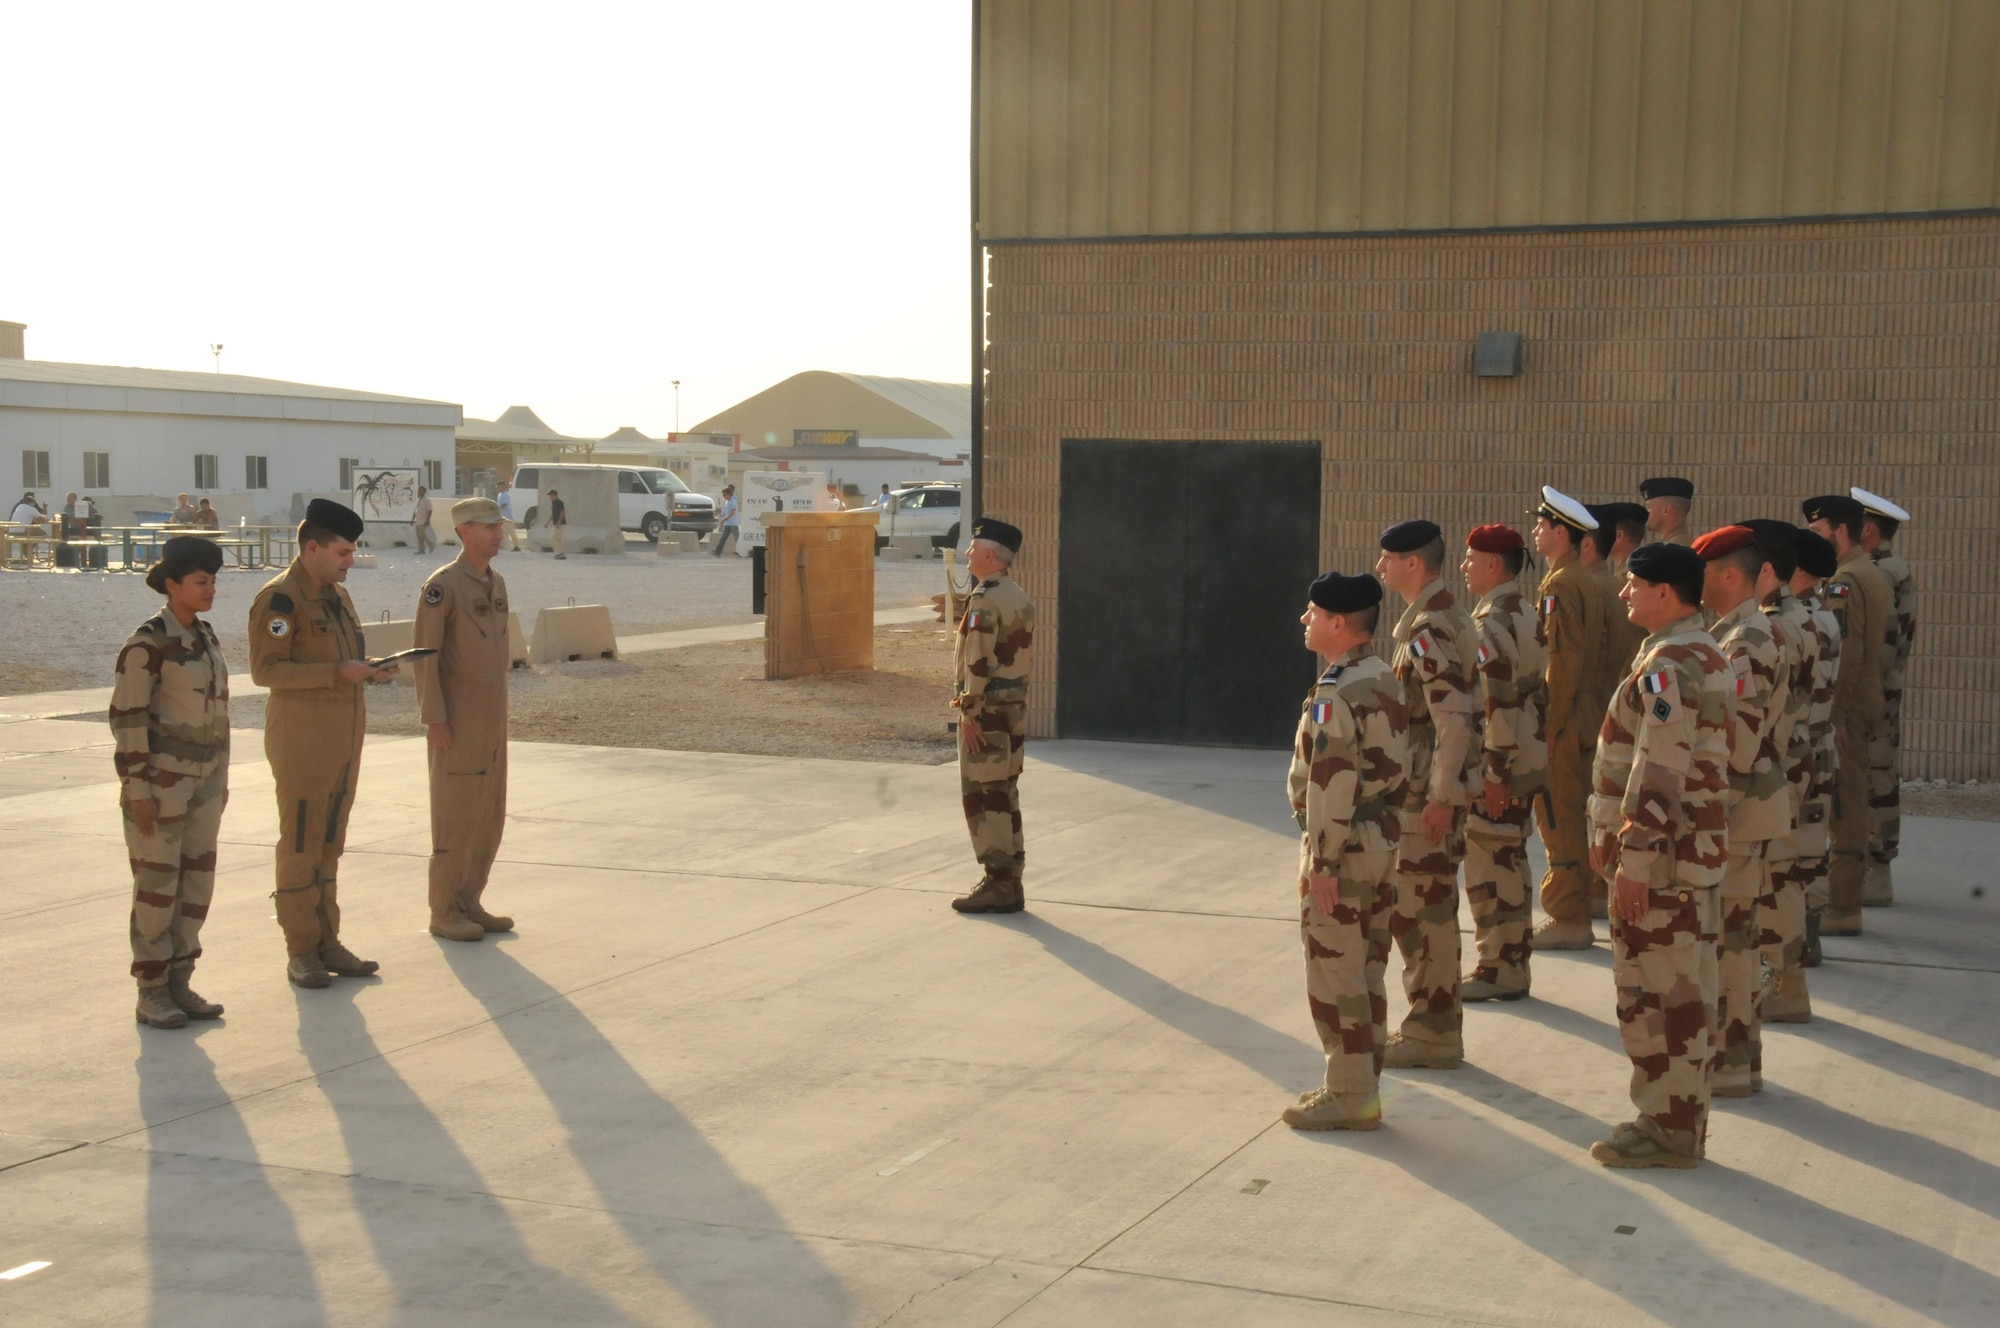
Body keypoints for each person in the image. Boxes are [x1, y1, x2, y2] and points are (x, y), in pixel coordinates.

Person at [1587, 542, 1730, 1169]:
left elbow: (1659, 768)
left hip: (1664, 862)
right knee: (1682, 993)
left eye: (1634, 585)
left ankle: (1667, 1129)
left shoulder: (1672, 663)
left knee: (1658, 996)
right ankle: (1676, 1123)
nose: (1624, 594)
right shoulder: (1698, 651)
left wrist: (1636, 862)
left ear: (1665, 593)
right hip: (1685, 855)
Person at [247, 498, 398, 988]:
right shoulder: (280, 601)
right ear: (312, 547)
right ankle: (301, 951)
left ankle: (328, 940)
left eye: (352, 552)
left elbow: (343, 657)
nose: (350, 561)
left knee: (330, 844)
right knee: (301, 844)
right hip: (302, 742)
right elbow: (266, 670)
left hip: (342, 739)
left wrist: (370, 670)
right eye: (342, 552)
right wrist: (337, 672)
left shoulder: (336, 596)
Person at [1283, 570, 1408, 1131]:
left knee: (1335, 973)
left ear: (1339, 623)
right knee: (1367, 967)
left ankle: (1351, 1093)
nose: (1305, 620)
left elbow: (1331, 781)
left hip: (1346, 844)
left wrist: (1323, 864)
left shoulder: (1337, 692)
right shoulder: (1381, 676)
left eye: (1312, 613)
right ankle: (1362, 1083)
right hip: (1381, 838)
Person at [113, 536, 232, 1029]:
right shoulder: (147, 644)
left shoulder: (205, 637)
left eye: (213, 582)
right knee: (158, 887)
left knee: (196, 883)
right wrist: (137, 789)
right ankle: (152, 988)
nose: (210, 591)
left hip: (204, 782)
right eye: (200, 582)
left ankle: (180, 980)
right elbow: (128, 719)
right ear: (172, 585)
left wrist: (220, 779)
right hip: (161, 787)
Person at [1375, 520, 1480, 1068]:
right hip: (1423, 790)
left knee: (1423, 913)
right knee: (1426, 908)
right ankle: (1433, 1023)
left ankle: (1433, 1029)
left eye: (1388, 558)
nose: (1381, 568)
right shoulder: (1440, 617)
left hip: (1423, 798)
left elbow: (1453, 720)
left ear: (1413, 563)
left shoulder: (1430, 628)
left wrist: (1441, 796)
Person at [1694, 525, 1794, 1099]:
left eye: (1704, 575)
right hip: (1742, 810)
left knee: (1731, 942)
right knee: (1737, 937)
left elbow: (1739, 747)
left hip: (1737, 811)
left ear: (1729, 576)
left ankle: (1730, 1061)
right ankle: (1741, 1058)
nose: (1698, 586)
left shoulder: (1746, 642)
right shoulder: (1739, 633)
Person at [414, 498, 517, 942]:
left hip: (491, 716)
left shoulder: (495, 583)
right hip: (456, 718)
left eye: (499, 526)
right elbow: (424, 657)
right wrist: (435, 718)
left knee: (489, 812)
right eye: (487, 527)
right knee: (455, 814)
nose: (497, 534)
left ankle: (470, 898)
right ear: (463, 531)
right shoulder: (443, 586)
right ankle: (443, 909)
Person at [1460, 524, 1547, 1002]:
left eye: (1472, 559)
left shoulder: (1491, 622)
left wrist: (1494, 771)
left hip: (1503, 759)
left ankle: (1499, 965)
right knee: (1510, 859)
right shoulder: (1526, 611)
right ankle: (1512, 961)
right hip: (1526, 750)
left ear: (1494, 564)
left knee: (1491, 863)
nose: (1465, 567)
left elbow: (1497, 700)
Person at [1803, 494, 1894, 938]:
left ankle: (1842, 904)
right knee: (1850, 797)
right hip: (1864, 701)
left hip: (1849, 706)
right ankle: (1844, 900)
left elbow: (1847, 653)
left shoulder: (1844, 582)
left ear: (1840, 532)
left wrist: (1832, 716)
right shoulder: (1870, 573)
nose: (1814, 543)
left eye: (1819, 533)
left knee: (1844, 803)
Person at [1741, 519, 1818, 1021]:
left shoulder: (1779, 625)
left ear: (1765, 569)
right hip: (1790, 761)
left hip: (1777, 767)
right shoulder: (1794, 615)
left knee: (1775, 884)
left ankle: (1785, 987)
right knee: (1777, 879)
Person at [1528, 487, 1606, 951]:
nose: (1535, 532)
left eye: (1541, 525)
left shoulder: (1559, 584)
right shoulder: (1587, 580)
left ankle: (1568, 914)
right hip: (1588, 714)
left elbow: (1563, 661)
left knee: (1560, 816)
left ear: (1562, 533)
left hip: (1568, 720)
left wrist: (1549, 728)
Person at [949, 518, 1036, 914]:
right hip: (1011, 710)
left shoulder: (985, 599)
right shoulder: (1016, 595)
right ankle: (1009, 881)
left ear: (989, 555)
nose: (966, 555)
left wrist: (969, 714)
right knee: (1005, 791)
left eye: (971, 549)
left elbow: (979, 663)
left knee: (985, 798)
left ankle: (999, 882)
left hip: (988, 713)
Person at [1853, 486, 1914, 907]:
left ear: (1868, 528)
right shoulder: (1889, 567)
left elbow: (1884, 644)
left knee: (1876, 776)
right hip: (1880, 687)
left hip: (1873, 690)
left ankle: (1876, 871)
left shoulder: (1880, 572)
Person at [1790, 528, 1843, 966]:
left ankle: (1803, 941)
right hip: (1818, 743)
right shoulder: (1819, 613)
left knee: (1803, 847)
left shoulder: (1806, 620)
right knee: (1809, 843)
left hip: (1806, 745)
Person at [1639, 477, 1695, 546]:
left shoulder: (1670, 551)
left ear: (1666, 510)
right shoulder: (1692, 546)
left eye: (1648, 507)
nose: (1645, 512)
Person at [711, 486, 740, 558]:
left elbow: (733, 511)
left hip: (733, 524)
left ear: (729, 494)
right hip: (727, 524)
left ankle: (740, 552)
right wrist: (722, 518)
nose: (724, 496)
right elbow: (725, 511)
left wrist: (726, 519)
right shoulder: (726, 502)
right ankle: (717, 553)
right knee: (723, 538)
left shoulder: (733, 501)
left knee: (737, 538)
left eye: (725, 495)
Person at [495, 480, 524, 551]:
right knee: (503, 532)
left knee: (511, 532)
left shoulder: (506, 495)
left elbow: (504, 504)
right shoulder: (500, 495)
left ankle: (517, 546)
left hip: (508, 517)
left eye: (499, 487)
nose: (498, 488)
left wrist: (498, 510)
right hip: (502, 517)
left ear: (502, 486)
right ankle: (503, 545)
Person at [411, 486, 436, 554]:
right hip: (418, 520)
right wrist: (413, 519)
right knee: (419, 536)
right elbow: (416, 510)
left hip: (423, 520)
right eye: (419, 490)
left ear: (424, 491)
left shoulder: (427, 500)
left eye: (421, 490)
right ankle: (421, 550)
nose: (419, 492)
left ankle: (430, 543)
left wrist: (428, 519)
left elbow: (430, 510)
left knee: (422, 533)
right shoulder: (418, 500)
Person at [545, 487, 567, 559]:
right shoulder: (553, 503)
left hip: (560, 524)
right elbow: (553, 514)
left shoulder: (559, 503)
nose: (550, 497)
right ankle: (561, 553)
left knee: (554, 537)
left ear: (555, 495)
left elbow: (562, 512)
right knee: (558, 539)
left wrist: (559, 522)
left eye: (551, 495)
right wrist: (547, 522)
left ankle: (560, 553)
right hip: (556, 524)